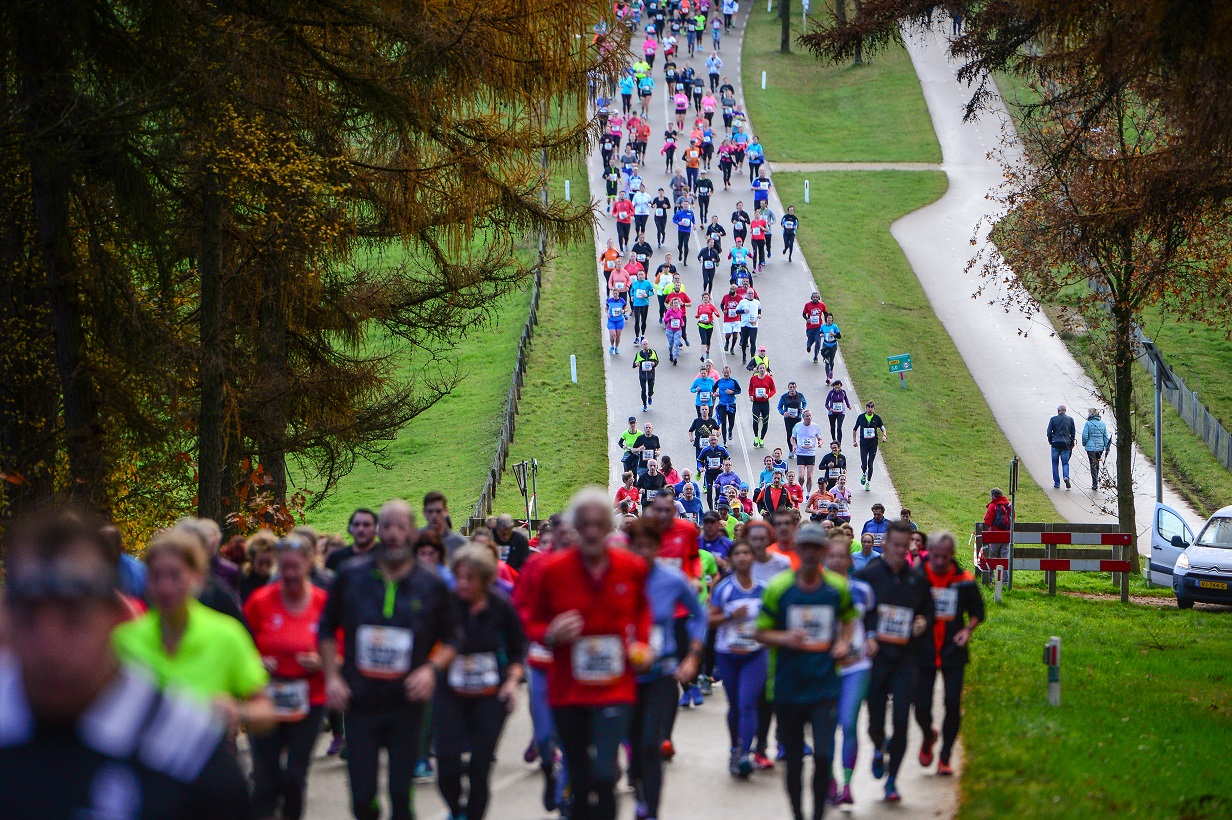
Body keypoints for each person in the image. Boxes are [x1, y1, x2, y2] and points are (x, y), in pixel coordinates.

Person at [0, 510, 254, 818]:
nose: (50, 646)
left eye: (74, 619)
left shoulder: (188, 750)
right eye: (29, 618)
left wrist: (237, 711)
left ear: (116, 619)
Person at [318, 499, 460, 820]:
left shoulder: (431, 583)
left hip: (406, 703)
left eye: (401, 527)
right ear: (379, 530)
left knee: (400, 794)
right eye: (388, 526)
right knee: (362, 797)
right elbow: (326, 628)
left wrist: (431, 670)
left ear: (412, 531)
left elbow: (453, 638)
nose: (394, 534)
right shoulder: (351, 576)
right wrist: (332, 677)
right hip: (360, 700)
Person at [524, 488, 652, 820]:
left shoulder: (631, 567)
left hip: (615, 687)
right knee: (580, 780)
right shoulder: (553, 570)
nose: (592, 530)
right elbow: (530, 620)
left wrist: (641, 644)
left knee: (605, 775)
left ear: (610, 527)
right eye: (585, 523)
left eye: (599, 523)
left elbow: (642, 611)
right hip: (568, 690)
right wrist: (550, 633)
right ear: (574, 528)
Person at [113, 528, 275, 731]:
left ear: (196, 578)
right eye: (155, 576)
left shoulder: (226, 635)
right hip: (143, 760)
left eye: (175, 575)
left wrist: (237, 711)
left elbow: (266, 712)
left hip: (209, 757)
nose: (165, 586)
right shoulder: (125, 641)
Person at [756, 524, 857, 820]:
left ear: (823, 551)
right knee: (796, 761)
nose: (811, 553)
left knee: (824, 756)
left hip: (825, 686)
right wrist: (786, 638)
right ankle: (798, 813)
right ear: (798, 551)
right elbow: (761, 633)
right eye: (806, 548)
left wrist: (843, 642)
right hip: (788, 686)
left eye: (817, 548)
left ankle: (816, 814)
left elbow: (849, 619)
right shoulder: (779, 588)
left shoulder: (836, 588)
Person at [434, 546, 526, 820]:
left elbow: (517, 648)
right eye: (459, 577)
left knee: (480, 767)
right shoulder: (446, 605)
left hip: (489, 695)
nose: (462, 584)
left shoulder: (501, 606)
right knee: (447, 765)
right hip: (450, 693)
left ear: (486, 579)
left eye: (470, 578)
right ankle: (455, 808)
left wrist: (511, 681)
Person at [625, 517, 706, 820]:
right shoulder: (617, 578)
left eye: (649, 547)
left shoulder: (671, 580)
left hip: (661, 672)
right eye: (638, 547)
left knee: (650, 743)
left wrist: (693, 656)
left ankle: (651, 810)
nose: (643, 553)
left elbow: (700, 615)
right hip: (625, 676)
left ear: (658, 549)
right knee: (632, 741)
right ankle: (640, 791)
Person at [244, 534, 330, 820]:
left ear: (309, 564)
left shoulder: (322, 602)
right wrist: (257, 661)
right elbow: (241, 645)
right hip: (267, 697)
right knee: (265, 779)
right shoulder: (260, 601)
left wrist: (321, 661)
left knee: (294, 778)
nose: (290, 574)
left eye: (296, 567)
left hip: (309, 699)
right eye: (285, 568)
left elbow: (340, 650)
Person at [856, 520, 934, 803]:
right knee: (875, 722)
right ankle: (879, 746)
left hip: (906, 659)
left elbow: (928, 612)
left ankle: (892, 781)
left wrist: (923, 622)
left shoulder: (917, 579)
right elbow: (857, 615)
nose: (901, 551)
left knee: (901, 719)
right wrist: (868, 635)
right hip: (876, 658)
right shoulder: (868, 576)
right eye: (896, 545)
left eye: (906, 546)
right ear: (885, 544)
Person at [915, 532, 983, 777]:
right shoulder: (918, 576)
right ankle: (928, 734)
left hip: (953, 648)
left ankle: (945, 756)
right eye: (935, 556)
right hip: (924, 648)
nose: (940, 562)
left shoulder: (964, 579)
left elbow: (978, 611)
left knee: (952, 703)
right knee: (921, 706)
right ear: (928, 553)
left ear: (952, 555)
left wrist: (968, 630)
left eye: (945, 557)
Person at [823, 535, 877, 808]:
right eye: (830, 556)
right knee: (825, 727)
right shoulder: (816, 591)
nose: (835, 561)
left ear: (849, 560)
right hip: (825, 669)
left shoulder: (862, 590)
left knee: (848, 723)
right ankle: (829, 780)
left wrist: (871, 636)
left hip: (857, 665)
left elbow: (871, 618)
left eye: (840, 556)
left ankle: (846, 785)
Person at [709, 540, 768, 778]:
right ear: (731, 559)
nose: (742, 557)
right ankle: (735, 747)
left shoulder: (765, 589)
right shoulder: (724, 588)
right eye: (737, 554)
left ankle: (745, 754)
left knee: (747, 703)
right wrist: (729, 614)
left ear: (753, 558)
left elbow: (774, 619)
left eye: (747, 553)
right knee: (734, 705)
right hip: (728, 653)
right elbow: (708, 620)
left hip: (756, 654)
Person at [852, 401, 887, 490]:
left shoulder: (877, 418)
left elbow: (883, 428)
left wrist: (884, 436)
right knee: (864, 464)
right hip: (863, 443)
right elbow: (855, 429)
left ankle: (868, 482)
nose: (870, 409)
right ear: (866, 408)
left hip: (873, 444)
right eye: (868, 407)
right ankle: (864, 473)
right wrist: (854, 441)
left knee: (870, 463)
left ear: (874, 408)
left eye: (872, 407)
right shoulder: (861, 417)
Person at [423, 491, 469, 558]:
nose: (434, 515)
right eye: (430, 511)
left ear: (445, 511)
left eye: (438, 511)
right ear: (424, 512)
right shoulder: (415, 540)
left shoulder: (460, 544)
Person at [791, 409, 823, 493]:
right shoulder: (798, 426)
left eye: (810, 416)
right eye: (807, 416)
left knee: (810, 477)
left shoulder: (815, 426)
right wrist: (794, 445)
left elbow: (820, 438)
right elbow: (792, 438)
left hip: (811, 453)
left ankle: (808, 493)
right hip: (800, 453)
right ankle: (801, 488)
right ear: (803, 418)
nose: (809, 418)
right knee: (801, 476)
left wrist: (820, 443)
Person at [1046, 404, 1077, 489]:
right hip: (1066, 443)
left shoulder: (1053, 419)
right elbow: (1073, 432)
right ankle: (1066, 477)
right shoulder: (1070, 420)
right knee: (1065, 463)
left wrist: (1050, 440)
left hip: (1055, 443)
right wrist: (1072, 443)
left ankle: (1057, 483)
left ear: (1058, 411)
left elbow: (1049, 432)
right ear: (1065, 411)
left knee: (1055, 464)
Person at [1081, 407, 1111, 490]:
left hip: (1090, 448)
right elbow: (1105, 437)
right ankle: (1096, 480)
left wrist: (1084, 443)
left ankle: (1094, 482)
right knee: (1097, 463)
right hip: (1100, 448)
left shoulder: (1088, 423)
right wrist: (1107, 447)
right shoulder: (1102, 424)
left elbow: (1085, 435)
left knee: (1092, 464)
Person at [748, 362, 776, 448]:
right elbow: (750, 389)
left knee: (765, 421)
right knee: (755, 420)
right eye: (760, 368)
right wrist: (751, 396)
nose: (762, 370)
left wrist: (768, 395)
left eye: (763, 368)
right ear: (758, 369)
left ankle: (762, 439)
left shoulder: (769, 379)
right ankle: (756, 436)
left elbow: (773, 390)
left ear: (766, 369)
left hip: (765, 403)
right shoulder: (753, 379)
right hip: (756, 403)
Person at [982, 488, 1013, 560]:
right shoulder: (1009, 505)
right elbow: (1012, 519)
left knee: (992, 556)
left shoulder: (993, 506)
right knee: (1005, 557)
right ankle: (1005, 571)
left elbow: (987, 521)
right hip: (1007, 535)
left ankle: (991, 571)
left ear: (993, 496)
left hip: (995, 535)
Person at [778, 382, 808, 456]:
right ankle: (791, 450)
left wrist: (803, 409)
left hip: (797, 418)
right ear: (788, 388)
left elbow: (804, 402)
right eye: (790, 387)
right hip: (788, 418)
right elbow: (779, 406)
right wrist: (783, 413)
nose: (792, 389)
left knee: (797, 434)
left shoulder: (800, 395)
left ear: (796, 388)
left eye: (793, 387)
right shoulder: (784, 397)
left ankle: (797, 449)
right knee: (789, 434)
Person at [633, 340, 660, 411]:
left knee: (651, 390)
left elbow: (657, 361)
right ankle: (644, 405)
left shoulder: (653, 352)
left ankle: (650, 395)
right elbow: (634, 364)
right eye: (644, 344)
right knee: (643, 390)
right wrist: (636, 364)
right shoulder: (639, 354)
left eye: (646, 344)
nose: (645, 345)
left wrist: (654, 363)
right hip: (642, 376)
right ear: (641, 345)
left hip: (651, 375)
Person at [819, 312, 841, 385]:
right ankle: (828, 377)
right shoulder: (823, 326)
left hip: (833, 345)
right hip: (825, 345)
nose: (829, 320)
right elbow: (820, 333)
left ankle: (831, 371)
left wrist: (834, 334)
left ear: (832, 319)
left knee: (831, 361)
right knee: (827, 361)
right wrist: (821, 335)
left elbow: (839, 336)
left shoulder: (835, 327)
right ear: (826, 319)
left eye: (830, 318)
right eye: (828, 318)